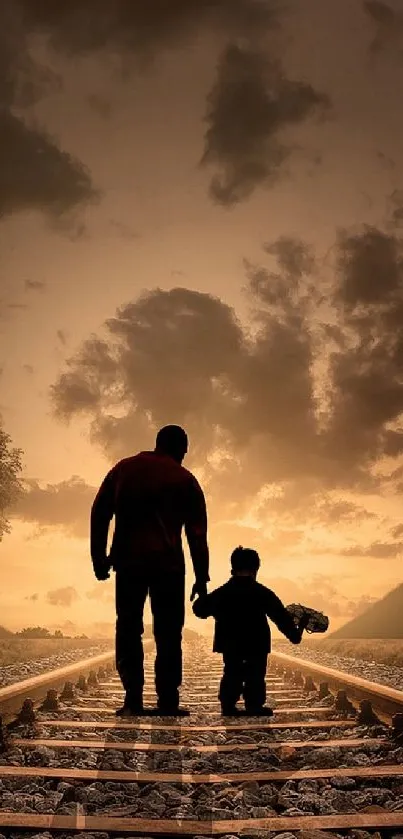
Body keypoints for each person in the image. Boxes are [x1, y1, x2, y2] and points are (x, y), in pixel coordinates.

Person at [90, 425, 209, 716]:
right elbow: (196, 533)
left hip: (128, 563)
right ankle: (168, 701)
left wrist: (99, 558)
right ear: (181, 448)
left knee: (128, 627)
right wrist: (201, 577)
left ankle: (133, 699)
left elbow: (100, 512)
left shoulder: (123, 470)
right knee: (169, 633)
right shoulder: (185, 479)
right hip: (168, 566)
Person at [192, 546, 309, 716]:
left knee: (232, 671)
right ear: (256, 569)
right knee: (256, 674)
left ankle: (228, 705)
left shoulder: (223, 593)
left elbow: (200, 610)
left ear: (233, 568)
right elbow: (282, 619)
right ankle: (254, 705)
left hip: (230, 643)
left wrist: (202, 594)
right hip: (257, 643)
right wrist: (297, 631)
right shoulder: (263, 593)